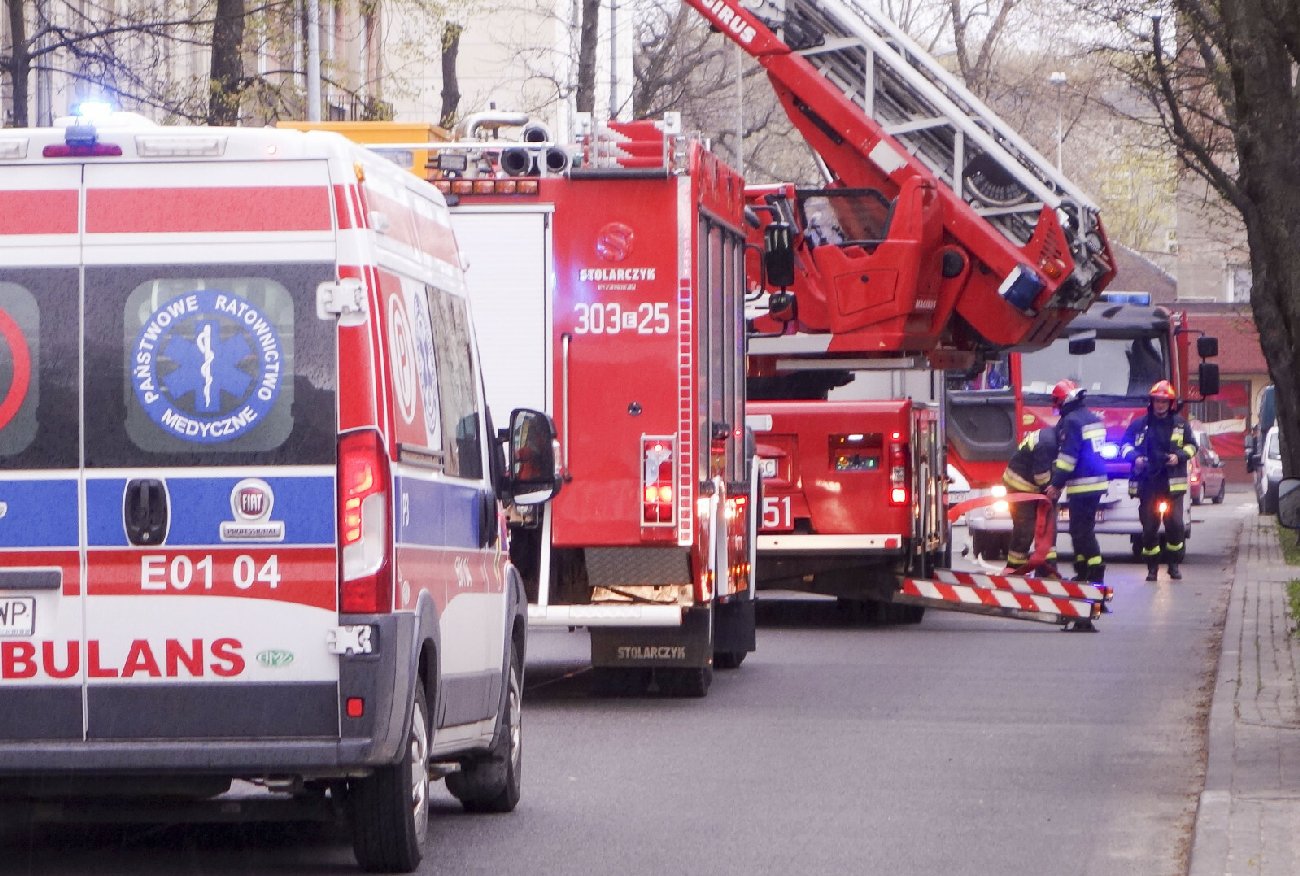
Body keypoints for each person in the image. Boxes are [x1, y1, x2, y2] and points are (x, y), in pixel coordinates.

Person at [1121, 380, 1197, 581]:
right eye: (1157, 401)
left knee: (1175, 527)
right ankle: (1152, 569)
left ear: (1170, 403)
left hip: (1172, 485)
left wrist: (1178, 456)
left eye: (1164, 401)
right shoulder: (1140, 425)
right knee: (1149, 530)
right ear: (1151, 402)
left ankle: (1173, 565)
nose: (1160, 404)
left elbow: (1192, 446)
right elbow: (1125, 445)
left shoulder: (1180, 424)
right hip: (1148, 484)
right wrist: (1134, 458)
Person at [1043, 380, 1109, 587]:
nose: (1057, 406)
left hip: (1082, 484)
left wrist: (1056, 485)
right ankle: (1082, 571)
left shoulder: (1071, 421)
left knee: (1082, 531)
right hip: (1097, 482)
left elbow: (1068, 458)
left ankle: (1096, 569)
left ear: (1065, 400)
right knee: (1078, 529)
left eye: (1058, 401)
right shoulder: (1091, 417)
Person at [1000, 427, 1059, 576]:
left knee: (1047, 527)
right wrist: (1053, 488)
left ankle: (1046, 568)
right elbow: (1042, 477)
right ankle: (1014, 569)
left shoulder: (1052, 438)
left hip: (1035, 488)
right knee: (1025, 529)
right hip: (1019, 486)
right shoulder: (1047, 444)